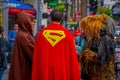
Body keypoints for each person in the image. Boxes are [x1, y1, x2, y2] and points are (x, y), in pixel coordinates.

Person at [32, 10, 80, 80]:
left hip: (45, 70)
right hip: (62, 71)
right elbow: (72, 58)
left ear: (50, 18)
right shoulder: (68, 35)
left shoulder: (41, 34)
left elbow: (37, 57)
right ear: (61, 19)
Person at [9, 11, 35, 80]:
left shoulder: (22, 34)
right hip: (23, 71)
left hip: (21, 70)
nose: (33, 23)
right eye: (32, 21)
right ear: (26, 21)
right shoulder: (24, 36)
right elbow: (33, 54)